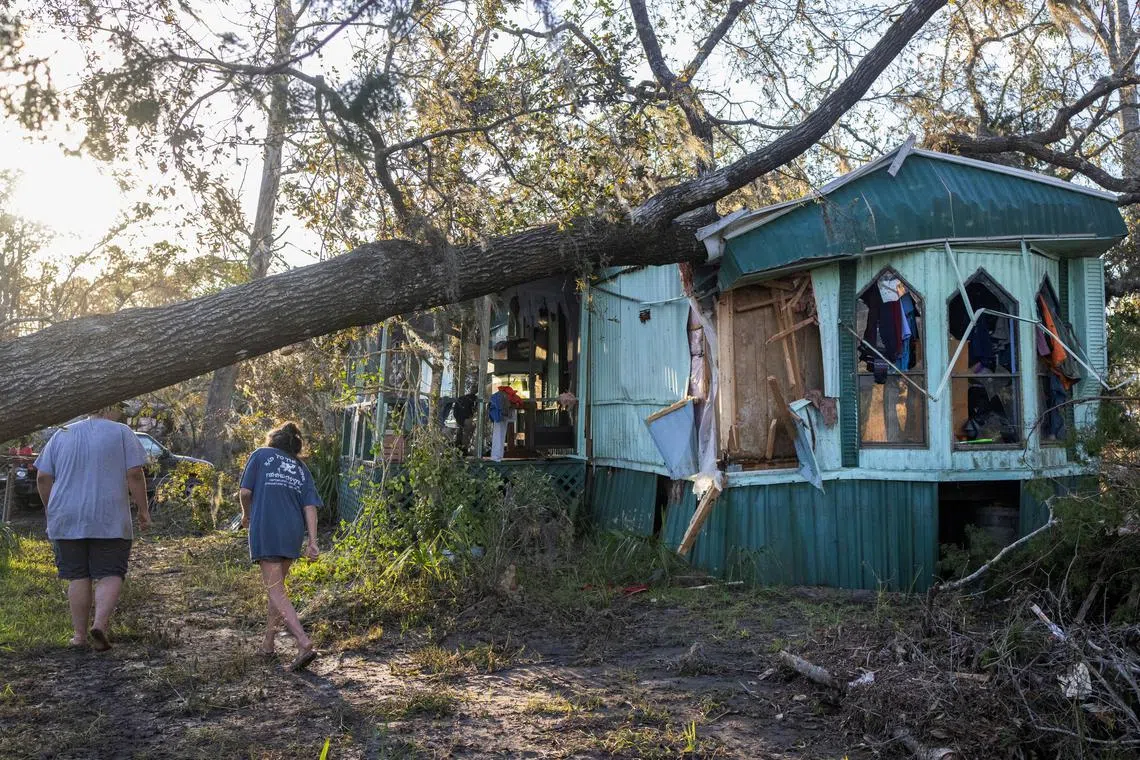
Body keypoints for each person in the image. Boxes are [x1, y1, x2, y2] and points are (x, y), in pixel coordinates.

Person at [34, 402, 150, 651]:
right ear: (110, 406)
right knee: (110, 572)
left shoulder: (62, 433)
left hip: (66, 516)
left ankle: (79, 637)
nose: (122, 413)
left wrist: (50, 508)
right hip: (108, 516)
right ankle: (99, 625)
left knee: (78, 575)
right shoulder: (121, 432)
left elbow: (43, 477)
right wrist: (143, 510)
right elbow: (135, 474)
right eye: (121, 407)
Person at [239, 421, 322, 671]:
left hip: (267, 527)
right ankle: (268, 643)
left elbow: (244, 492)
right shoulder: (300, 468)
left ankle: (303, 641)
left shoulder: (261, 455)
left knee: (276, 590)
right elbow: (310, 506)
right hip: (292, 532)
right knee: (278, 589)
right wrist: (313, 542)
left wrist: (246, 515)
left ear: (273, 439)